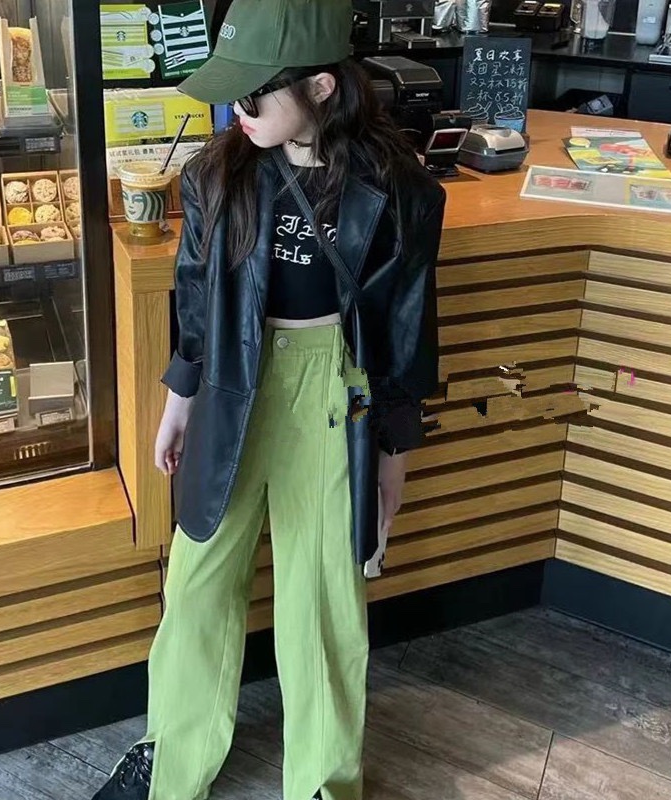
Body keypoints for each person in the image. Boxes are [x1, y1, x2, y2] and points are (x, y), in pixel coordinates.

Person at [92, 0, 445, 798]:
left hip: (333, 388)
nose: (238, 110)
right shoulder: (217, 174)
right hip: (232, 378)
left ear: (321, 86)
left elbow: (408, 325)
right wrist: (180, 398)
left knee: (323, 598)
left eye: (254, 92)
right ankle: (170, 759)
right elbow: (195, 296)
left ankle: (324, 781)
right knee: (196, 581)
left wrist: (395, 450)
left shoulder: (398, 188)